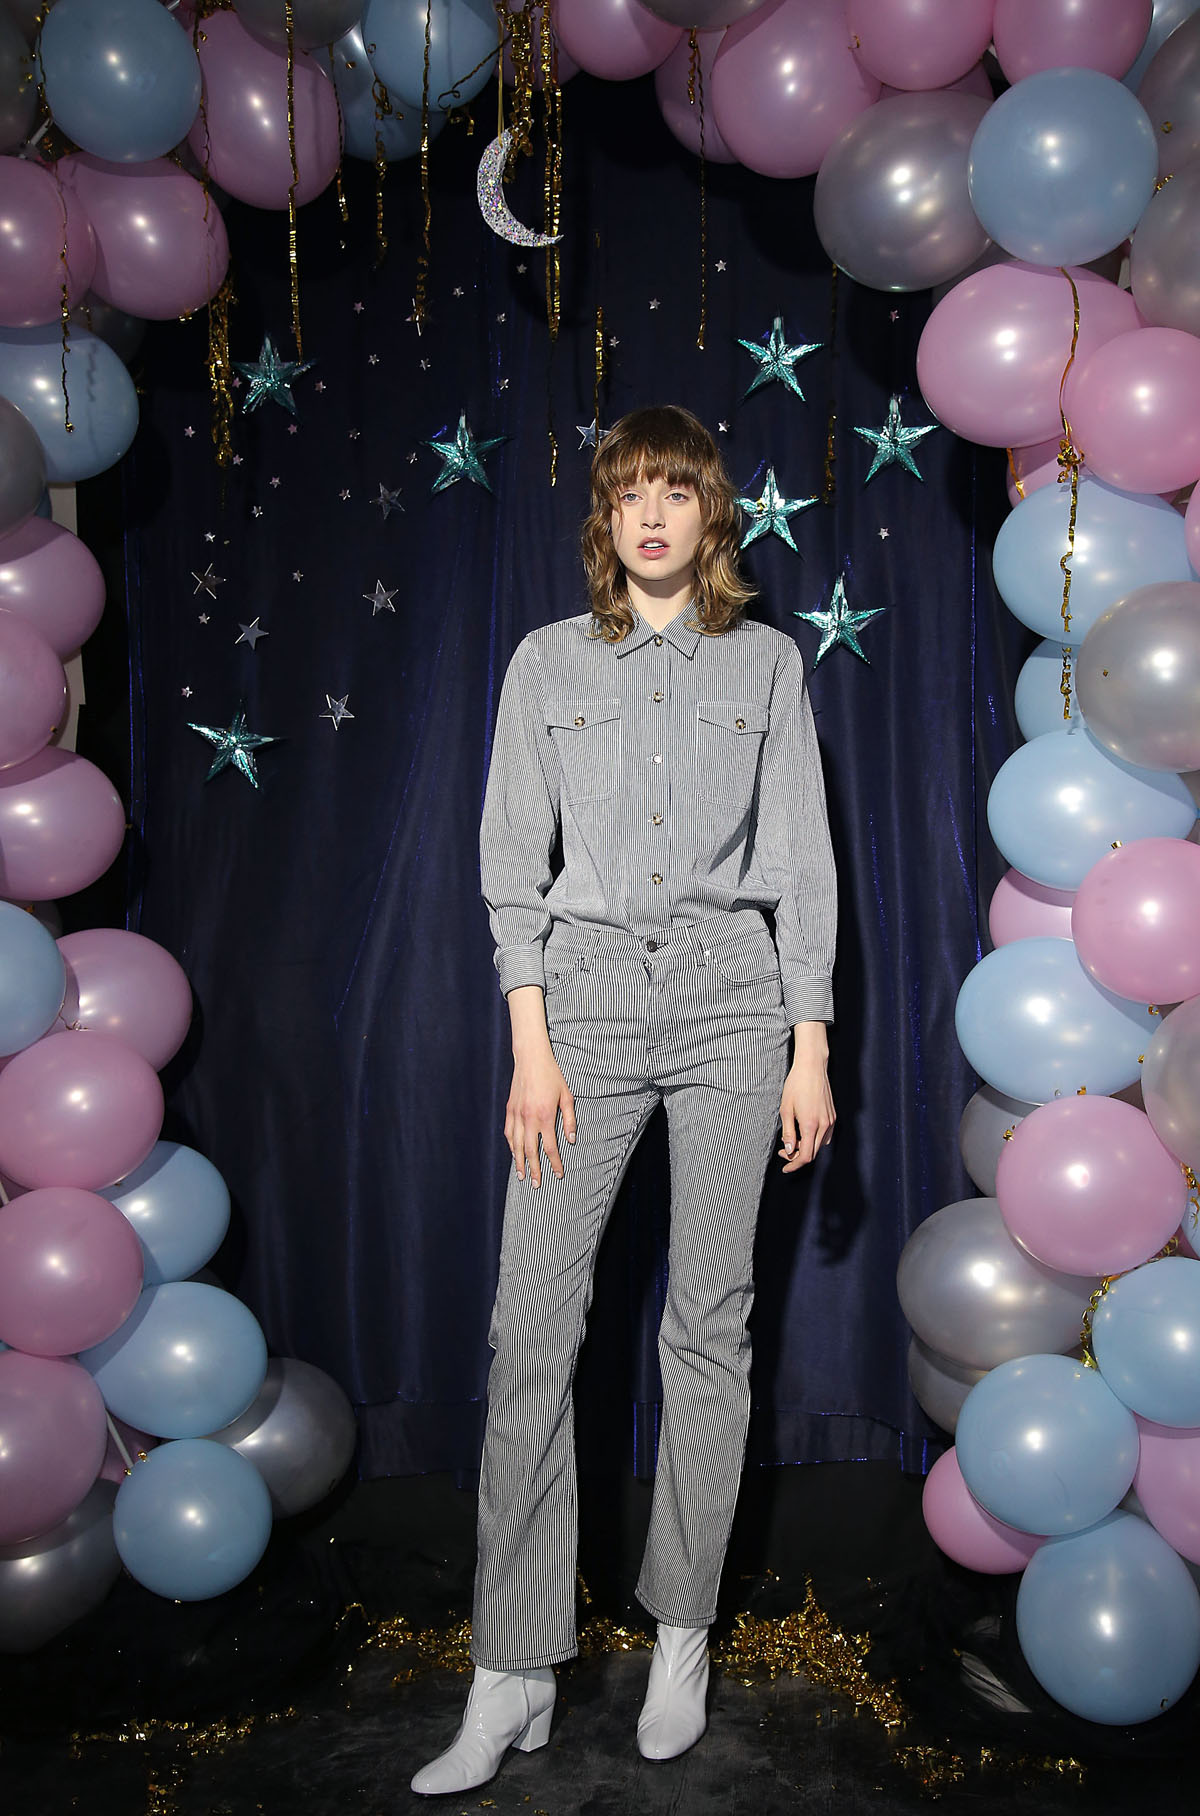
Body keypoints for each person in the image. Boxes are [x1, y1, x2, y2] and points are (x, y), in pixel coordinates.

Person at [412, 404, 836, 1795]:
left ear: (713, 516)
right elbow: (505, 860)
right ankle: (513, 1669)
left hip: (730, 996)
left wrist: (809, 1046)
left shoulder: (767, 663)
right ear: (607, 522)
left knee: (707, 1327)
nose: (654, 515)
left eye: (677, 491)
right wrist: (530, 1039)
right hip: (581, 1005)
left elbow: (802, 865)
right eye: (630, 494)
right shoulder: (546, 663)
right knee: (533, 1326)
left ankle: (682, 1633)